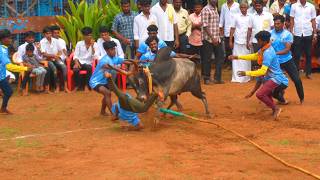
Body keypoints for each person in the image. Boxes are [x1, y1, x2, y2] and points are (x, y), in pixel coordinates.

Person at [228, 31, 288, 120]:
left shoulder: (267, 53)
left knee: (260, 94)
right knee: (264, 92)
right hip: (273, 77)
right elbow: (255, 56)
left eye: (258, 40)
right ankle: (274, 107)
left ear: (263, 41)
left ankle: (276, 108)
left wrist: (246, 73)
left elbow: (262, 72)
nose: (257, 42)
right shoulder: (264, 49)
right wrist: (237, 57)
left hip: (276, 78)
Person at [89, 41, 132, 116]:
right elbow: (112, 67)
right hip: (95, 82)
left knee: (107, 94)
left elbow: (125, 61)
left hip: (104, 81)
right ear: (106, 50)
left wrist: (138, 62)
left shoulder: (114, 58)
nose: (114, 51)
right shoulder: (104, 60)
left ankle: (102, 112)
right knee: (107, 93)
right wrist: (124, 72)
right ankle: (113, 113)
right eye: (111, 49)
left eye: (114, 49)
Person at [271, 15, 304, 103]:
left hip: (287, 60)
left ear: (283, 24)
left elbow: (287, 50)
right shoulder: (270, 33)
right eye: (275, 23)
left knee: (296, 80)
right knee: (276, 81)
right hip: (275, 62)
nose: (276, 25)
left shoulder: (287, 34)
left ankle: (302, 98)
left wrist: (274, 53)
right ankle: (280, 97)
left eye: (278, 24)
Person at [0, 29, 30, 114]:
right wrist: (25, 69)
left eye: (10, 38)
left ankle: (3, 109)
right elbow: (9, 66)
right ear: (2, 39)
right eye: (8, 38)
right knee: (8, 91)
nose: (10, 40)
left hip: (1, 75)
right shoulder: (2, 50)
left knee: (8, 91)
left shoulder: (4, 49)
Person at [290, 0, 317, 79]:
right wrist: (291, 32)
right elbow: (291, 19)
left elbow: (313, 20)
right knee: (296, 54)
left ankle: (308, 73)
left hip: (308, 32)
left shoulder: (311, 6)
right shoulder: (294, 6)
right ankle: (296, 73)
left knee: (308, 54)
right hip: (297, 33)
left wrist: (315, 33)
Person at [201, 0, 224, 85]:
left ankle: (217, 78)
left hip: (217, 38)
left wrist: (218, 36)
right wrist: (212, 38)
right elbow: (205, 26)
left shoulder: (215, 8)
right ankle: (206, 79)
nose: (215, 0)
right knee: (207, 59)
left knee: (220, 57)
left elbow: (216, 24)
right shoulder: (205, 10)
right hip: (208, 39)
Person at [40, 26, 69, 93]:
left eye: (50, 33)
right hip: (47, 60)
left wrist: (57, 56)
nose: (49, 35)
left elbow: (60, 51)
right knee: (54, 69)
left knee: (64, 67)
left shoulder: (55, 41)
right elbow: (44, 54)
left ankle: (65, 87)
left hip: (56, 58)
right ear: (44, 34)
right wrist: (53, 56)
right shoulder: (42, 42)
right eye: (47, 33)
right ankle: (57, 87)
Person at [229, 2, 252, 83]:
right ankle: (237, 77)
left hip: (247, 42)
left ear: (247, 8)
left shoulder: (250, 17)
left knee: (246, 60)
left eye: (244, 7)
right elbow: (232, 29)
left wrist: (248, 41)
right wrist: (230, 41)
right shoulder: (236, 16)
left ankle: (246, 77)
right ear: (240, 8)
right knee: (236, 59)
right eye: (241, 7)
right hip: (237, 41)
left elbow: (250, 29)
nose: (243, 9)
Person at [73, 27, 96, 91]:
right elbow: (75, 55)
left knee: (89, 68)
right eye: (88, 35)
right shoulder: (79, 44)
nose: (89, 37)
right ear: (84, 36)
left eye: (90, 35)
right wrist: (76, 63)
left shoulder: (95, 44)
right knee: (76, 69)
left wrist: (92, 46)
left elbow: (94, 56)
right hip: (80, 62)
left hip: (88, 63)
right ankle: (77, 86)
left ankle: (87, 86)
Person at [219, 0, 240, 67]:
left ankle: (235, 63)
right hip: (227, 30)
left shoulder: (237, 5)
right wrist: (221, 28)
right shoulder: (223, 6)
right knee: (227, 48)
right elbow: (222, 18)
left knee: (235, 48)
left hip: (236, 30)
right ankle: (229, 63)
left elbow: (240, 17)